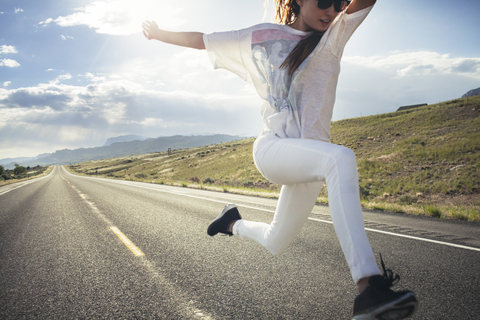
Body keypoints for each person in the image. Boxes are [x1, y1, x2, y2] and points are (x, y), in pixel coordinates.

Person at [143, 1, 418, 319]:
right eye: (324, 1)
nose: (332, 10)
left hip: (311, 159)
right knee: (341, 160)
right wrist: (160, 33)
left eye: (340, 3)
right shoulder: (262, 35)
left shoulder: (334, 36)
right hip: (274, 149)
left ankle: (230, 221)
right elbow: (202, 39)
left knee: (276, 240)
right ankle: (370, 289)